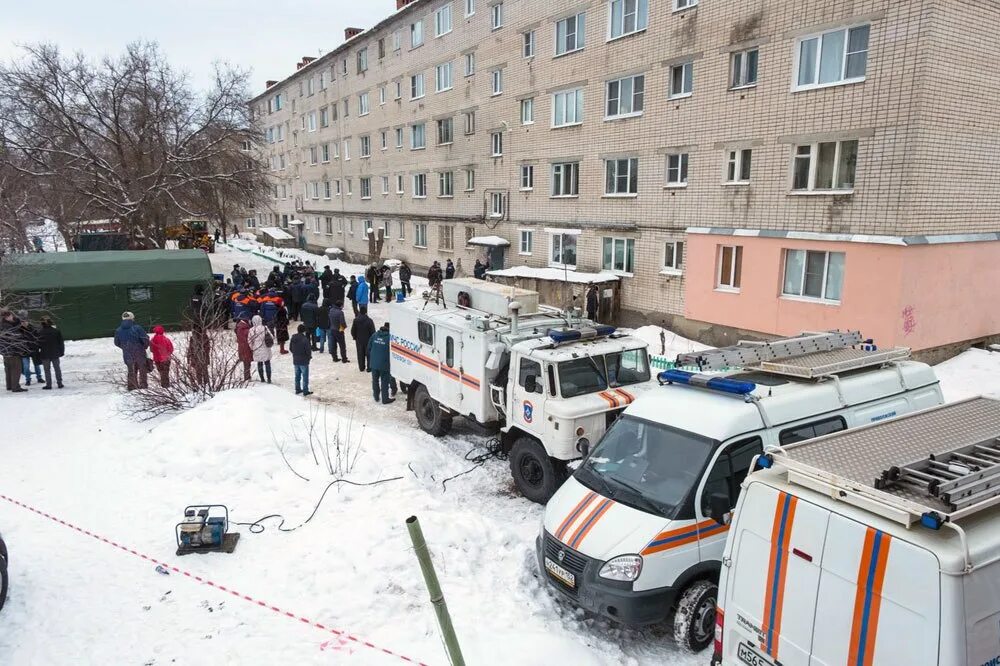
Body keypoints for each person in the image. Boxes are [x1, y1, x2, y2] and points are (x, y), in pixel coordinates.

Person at [113, 312, 150, 391]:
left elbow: (116, 343)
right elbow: (145, 339)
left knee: (131, 370)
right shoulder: (137, 328)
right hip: (139, 352)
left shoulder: (118, 330)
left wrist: (125, 348)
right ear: (132, 318)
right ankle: (143, 386)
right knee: (142, 369)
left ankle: (132, 386)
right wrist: (144, 346)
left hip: (127, 354)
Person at [367, 323, 394, 404]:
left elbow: (369, 348)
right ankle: (385, 399)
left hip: (374, 363)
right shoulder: (390, 338)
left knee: (375, 380)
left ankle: (376, 396)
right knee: (384, 381)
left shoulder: (374, 335)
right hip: (384, 364)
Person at [37, 316, 65, 390]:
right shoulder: (56, 331)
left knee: (47, 370)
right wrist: (61, 352)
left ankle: (48, 385)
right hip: (55, 353)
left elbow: (38, 344)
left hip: (44, 354)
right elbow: (61, 343)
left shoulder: (39, 332)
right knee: (57, 368)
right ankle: (60, 383)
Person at [1, 310, 25, 392]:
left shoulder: (4, 325)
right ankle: (15, 387)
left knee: (9, 369)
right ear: (7, 317)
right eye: (10, 316)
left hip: (6, 351)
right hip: (13, 351)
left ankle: (10, 386)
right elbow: (15, 337)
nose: (12, 317)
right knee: (16, 368)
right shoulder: (7, 326)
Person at [18, 313, 43, 385]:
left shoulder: (33, 328)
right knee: (26, 366)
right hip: (24, 351)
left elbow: (38, 339)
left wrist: (37, 347)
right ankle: (28, 379)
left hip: (34, 349)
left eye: (25, 321)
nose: (24, 323)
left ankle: (39, 377)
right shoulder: (19, 330)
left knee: (37, 365)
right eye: (22, 322)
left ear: (28, 321)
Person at [248, 314, 273, 383]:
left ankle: (262, 378)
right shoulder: (265, 328)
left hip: (257, 349)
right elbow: (271, 336)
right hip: (266, 349)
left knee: (260, 364)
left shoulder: (251, 330)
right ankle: (269, 378)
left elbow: (249, 341)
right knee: (267, 363)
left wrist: (252, 347)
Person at [350, 306, 376, 372]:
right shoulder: (369, 320)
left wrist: (355, 337)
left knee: (360, 354)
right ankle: (369, 368)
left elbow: (353, 330)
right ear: (366, 312)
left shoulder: (356, 320)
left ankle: (361, 367)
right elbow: (373, 331)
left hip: (359, 340)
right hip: (368, 340)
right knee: (369, 354)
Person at [289, 324, 312, 396]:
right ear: (304, 331)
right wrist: (309, 357)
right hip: (303, 360)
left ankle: (298, 389)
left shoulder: (293, 338)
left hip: (296, 359)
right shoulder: (305, 339)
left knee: (297, 376)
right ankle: (305, 390)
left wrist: (295, 354)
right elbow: (308, 350)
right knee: (305, 376)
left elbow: (291, 348)